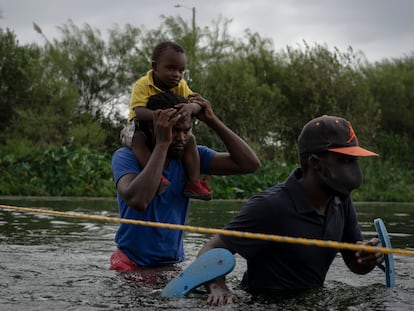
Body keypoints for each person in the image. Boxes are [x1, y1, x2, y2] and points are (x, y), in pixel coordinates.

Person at [196, 115, 385, 306]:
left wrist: (369, 257)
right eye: (345, 160)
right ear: (315, 163)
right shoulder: (271, 206)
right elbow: (209, 249)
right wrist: (218, 287)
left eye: (354, 160)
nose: (353, 168)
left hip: (310, 303)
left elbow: (354, 263)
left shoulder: (340, 200)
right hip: (262, 304)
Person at [110, 91, 260, 272]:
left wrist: (212, 120)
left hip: (172, 264)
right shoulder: (126, 157)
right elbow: (139, 200)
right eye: (174, 130)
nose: (181, 138)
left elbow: (249, 164)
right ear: (154, 128)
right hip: (131, 264)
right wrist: (163, 143)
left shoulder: (190, 158)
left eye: (186, 130)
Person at [121, 41, 212, 200]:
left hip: (173, 121)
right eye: (170, 68)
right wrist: (162, 115)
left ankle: (194, 182)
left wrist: (190, 108)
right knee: (138, 141)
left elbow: (198, 104)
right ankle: (156, 177)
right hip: (140, 125)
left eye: (181, 70)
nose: (176, 74)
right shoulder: (143, 84)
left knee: (190, 140)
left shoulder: (181, 85)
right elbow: (139, 111)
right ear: (155, 67)